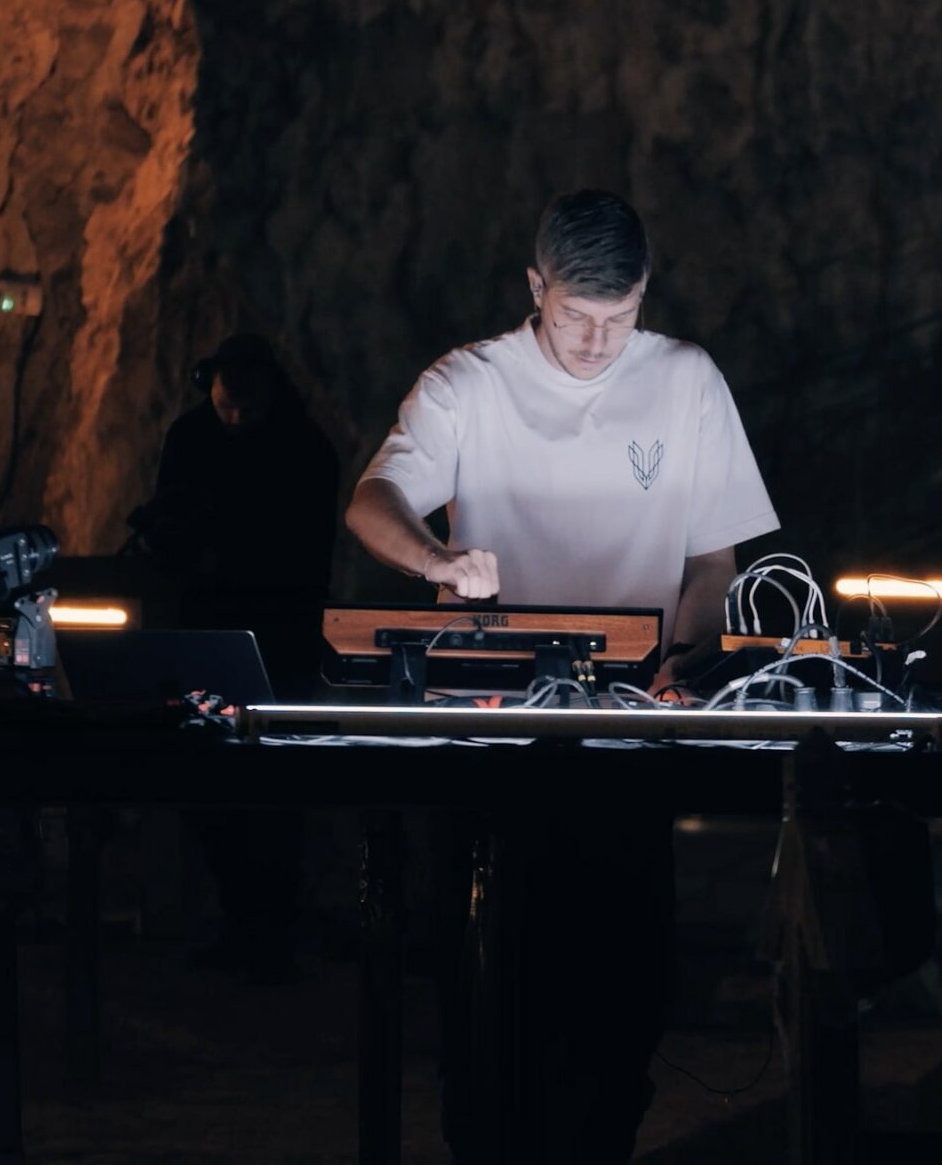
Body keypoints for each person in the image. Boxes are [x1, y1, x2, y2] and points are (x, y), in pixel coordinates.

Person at [345, 188, 779, 1162]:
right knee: (486, 1000)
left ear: (644, 294)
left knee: (621, 1008)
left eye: (618, 319)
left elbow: (714, 559)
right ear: (535, 287)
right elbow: (373, 501)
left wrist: (684, 658)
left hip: (630, 736)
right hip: (490, 737)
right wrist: (436, 560)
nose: (594, 342)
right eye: (575, 316)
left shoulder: (686, 378)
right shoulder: (469, 383)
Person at [131, 332, 340, 982]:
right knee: (209, 789)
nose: (238, 419)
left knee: (273, 795)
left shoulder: (305, 449)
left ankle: (271, 934)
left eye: (248, 409)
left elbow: (301, 557)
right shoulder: (190, 439)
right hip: (205, 637)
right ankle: (234, 921)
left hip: (279, 646)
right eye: (227, 408)